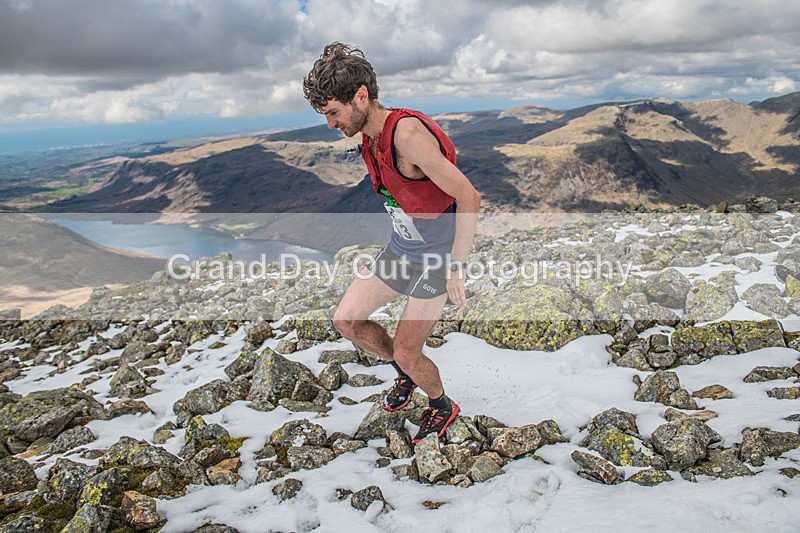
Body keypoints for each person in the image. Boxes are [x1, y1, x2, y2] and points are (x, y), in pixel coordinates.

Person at [303, 43, 481, 443]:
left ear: (361, 96)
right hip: (401, 250)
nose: (330, 123)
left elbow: (469, 197)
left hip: (435, 259)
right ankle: (406, 374)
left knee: (406, 349)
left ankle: (440, 404)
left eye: (333, 112)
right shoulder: (370, 136)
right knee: (346, 321)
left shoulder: (408, 136)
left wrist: (457, 265)